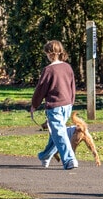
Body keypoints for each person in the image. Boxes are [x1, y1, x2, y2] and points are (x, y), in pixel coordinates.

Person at [30, 40, 79, 170]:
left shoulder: (48, 70)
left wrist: (34, 104)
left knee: (59, 133)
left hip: (55, 106)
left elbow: (40, 89)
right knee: (57, 134)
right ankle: (45, 155)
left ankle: (69, 160)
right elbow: (72, 86)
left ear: (49, 53)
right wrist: (71, 101)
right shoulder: (67, 67)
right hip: (67, 104)